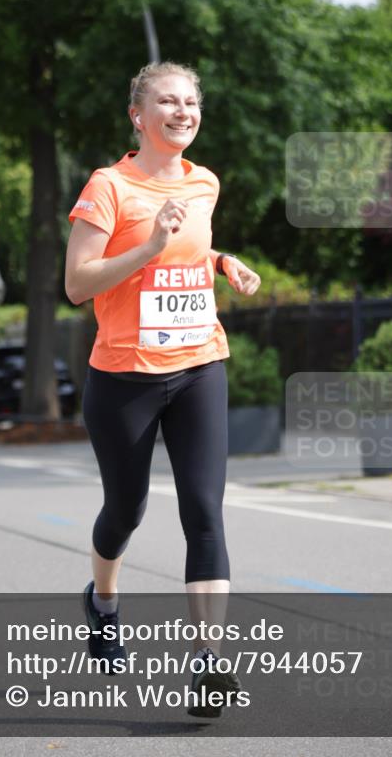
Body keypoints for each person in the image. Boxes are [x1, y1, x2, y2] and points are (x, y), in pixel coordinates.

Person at [65, 61, 261, 718]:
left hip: (200, 364)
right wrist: (148, 246)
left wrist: (221, 261)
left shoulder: (203, 182)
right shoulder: (108, 187)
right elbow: (78, 283)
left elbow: (190, 248)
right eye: (166, 102)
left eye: (189, 102)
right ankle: (103, 601)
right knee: (125, 511)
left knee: (203, 511)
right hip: (123, 377)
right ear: (137, 116)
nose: (181, 111)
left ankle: (208, 662)